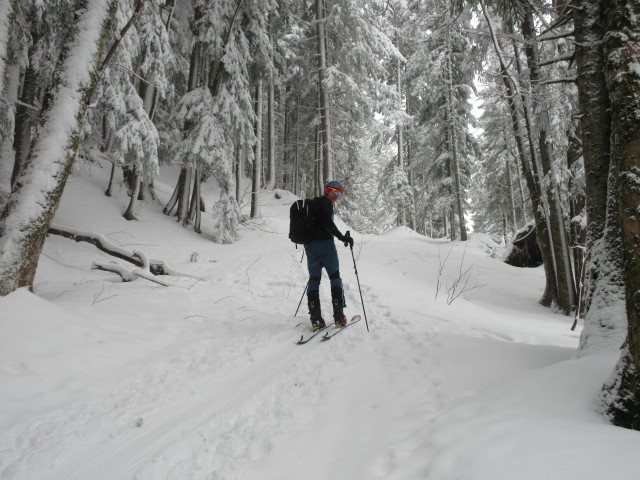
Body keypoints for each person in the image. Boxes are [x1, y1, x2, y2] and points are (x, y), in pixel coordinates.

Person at [305, 181, 354, 330]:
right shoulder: (326, 203)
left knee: (314, 279)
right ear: (328, 190)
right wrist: (343, 237)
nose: (337, 197)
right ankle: (339, 317)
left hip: (310, 247)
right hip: (326, 246)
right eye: (336, 192)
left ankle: (316, 320)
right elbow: (329, 225)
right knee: (335, 277)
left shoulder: (312, 205)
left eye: (340, 194)